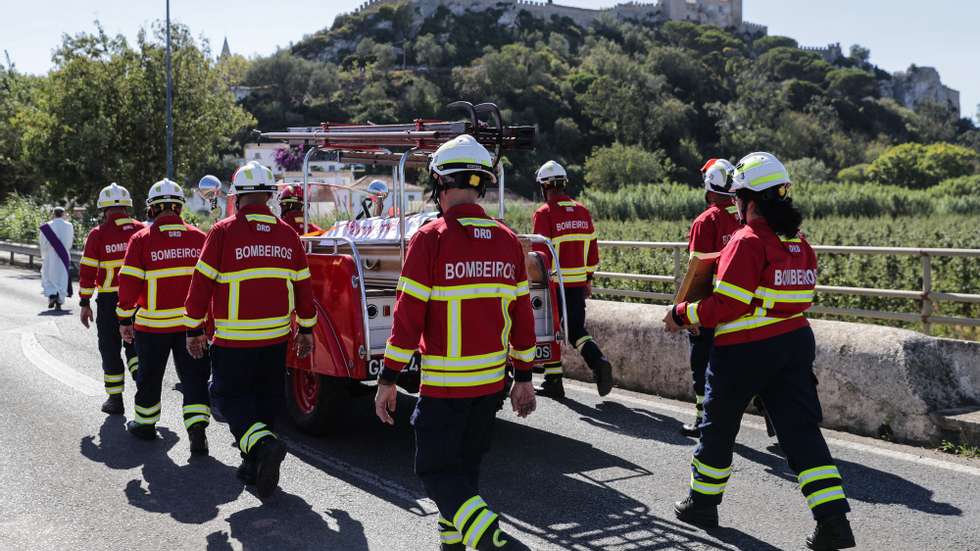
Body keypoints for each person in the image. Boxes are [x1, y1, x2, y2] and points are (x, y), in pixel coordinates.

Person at [664, 152, 855, 550]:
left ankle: (702, 504)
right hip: (794, 344)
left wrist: (682, 313)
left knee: (717, 428)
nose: (734, 203)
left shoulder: (747, 241)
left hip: (744, 351)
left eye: (737, 197)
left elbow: (726, 307)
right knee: (801, 434)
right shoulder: (799, 244)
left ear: (749, 198)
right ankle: (833, 522)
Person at [374, 135, 537, 550]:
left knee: (434, 470)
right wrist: (524, 378)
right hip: (490, 388)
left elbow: (407, 321)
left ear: (440, 184)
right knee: (464, 472)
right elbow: (522, 318)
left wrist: (388, 380)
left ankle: (492, 539)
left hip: (446, 387)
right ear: (480, 183)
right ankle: (453, 543)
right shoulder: (507, 240)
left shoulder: (431, 238)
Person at [184, 161, 316, 498]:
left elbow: (201, 284)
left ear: (238, 197)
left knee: (227, 398)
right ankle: (253, 463)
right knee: (266, 400)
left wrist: (193, 327)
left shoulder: (223, 232)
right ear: (270, 196)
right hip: (276, 339)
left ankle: (263, 446)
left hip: (234, 339)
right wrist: (307, 329)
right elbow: (304, 287)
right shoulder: (288, 235)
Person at [116, 179, 211, 454]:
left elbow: (129, 284)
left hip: (152, 327)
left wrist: (124, 319)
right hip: (191, 326)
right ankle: (197, 433)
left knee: (150, 376)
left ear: (152, 209)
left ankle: (145, 425)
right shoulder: (199, 238)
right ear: (179, 207)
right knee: (194, 378)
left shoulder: (141, 239)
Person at [531, 160, 612, 399]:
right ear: (564, 184)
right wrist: (587, 279)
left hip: (553, 284)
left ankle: (556, 379)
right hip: (577, 284)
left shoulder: (544, 213)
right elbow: (593, 251)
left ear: (544, 187)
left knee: (550, 330)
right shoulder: (582, 211)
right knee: (575, 328)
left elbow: (539, 254)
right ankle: (590, 364)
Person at [679, 158, 741, 437]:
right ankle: (770, 414)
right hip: (741, 306)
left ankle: (703, 420)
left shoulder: (706, 221)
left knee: (702, 365)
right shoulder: (747, 216)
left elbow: (697, 274)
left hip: (710, 308)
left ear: (709, 187)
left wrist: (685, 310)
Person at [79, 184, 143, 414]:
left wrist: (84, 302)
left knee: (110, 347)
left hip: (108, 300)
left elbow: (87, 272)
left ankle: (115, 400)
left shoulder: (98, 234)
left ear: (103, 209)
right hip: (138, 299)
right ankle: (143, 384)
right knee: (135, 345)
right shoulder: (141, 230)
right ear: (127, 206)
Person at [39, 206, 74, 311]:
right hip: (64, 255)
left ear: (53, 214)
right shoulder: (69, 226)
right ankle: (59, 301)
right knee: (62, 278)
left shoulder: (46, 226)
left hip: (50, 256)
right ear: (63, 214)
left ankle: (52, 296)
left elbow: (42, 243)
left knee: (49, 276)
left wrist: (44, 253)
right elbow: (70, 241)